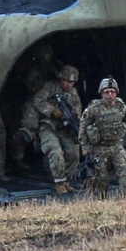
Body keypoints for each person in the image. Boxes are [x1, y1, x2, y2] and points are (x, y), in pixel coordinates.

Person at [77, 77, 126, 197]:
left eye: (112, 92)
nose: (110, 95)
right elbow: (83, 127)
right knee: (101, 176)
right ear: (102, 93)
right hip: (100, 147)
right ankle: (100, 198)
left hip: (116, 145)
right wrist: (85, 147)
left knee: (123, 170)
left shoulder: (121, 106)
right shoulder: (94, 108)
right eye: (107, 92)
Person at [31, 64, 82, 194]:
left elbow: (77, 112)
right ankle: (59, 182)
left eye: (72, 82)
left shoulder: (74, 93)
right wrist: (53, 111)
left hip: (65, 128)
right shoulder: (50, 87)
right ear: (61, 79)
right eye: (67, 81)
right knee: (55, 150)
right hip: (48, 125)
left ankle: (66, 181)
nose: (69, 85)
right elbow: (37, 101)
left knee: (74, 153)